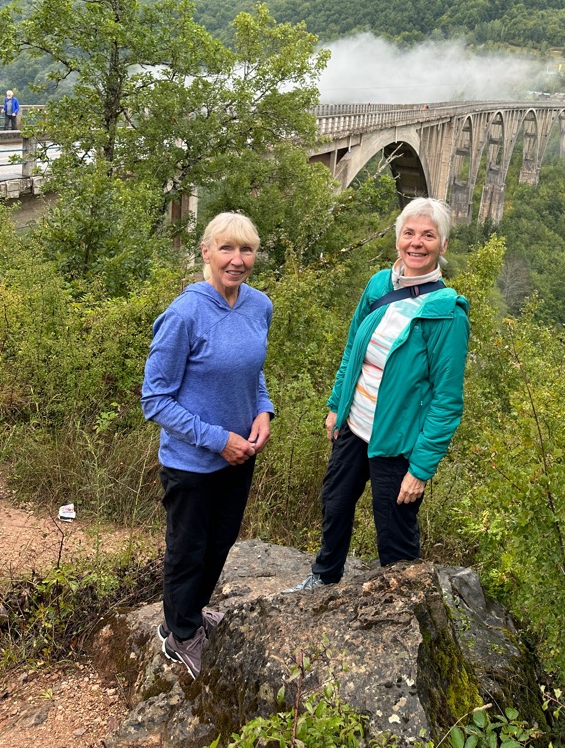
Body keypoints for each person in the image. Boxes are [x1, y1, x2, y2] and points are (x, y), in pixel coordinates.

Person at [286, 197, 469, 592]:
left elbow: (447, 401)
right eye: (409, 233)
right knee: (335, 504)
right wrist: (336, 405)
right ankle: (324, 576)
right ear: (397, 238)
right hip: (355, 424)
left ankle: (404, 602)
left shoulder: (447, 312)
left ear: (443, 245)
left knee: (395, 531)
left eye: (428, 235)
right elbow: (353, 349)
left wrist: (420, 470)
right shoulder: (379, 286)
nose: (416, 243)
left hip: (398, 442)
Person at [141, 212, 274, 679]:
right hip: (192, 463)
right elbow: (154, 399)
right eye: (226, 248)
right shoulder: (184, 314)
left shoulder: (259, 305)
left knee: (220, 543)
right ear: (206, 252)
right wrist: (218, 441)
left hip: (240, 457)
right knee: (188, 549)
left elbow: (252, 371)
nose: (237, 260)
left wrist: (263, 410)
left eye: (246, 250)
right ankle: (178, 634)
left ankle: (191, 614)